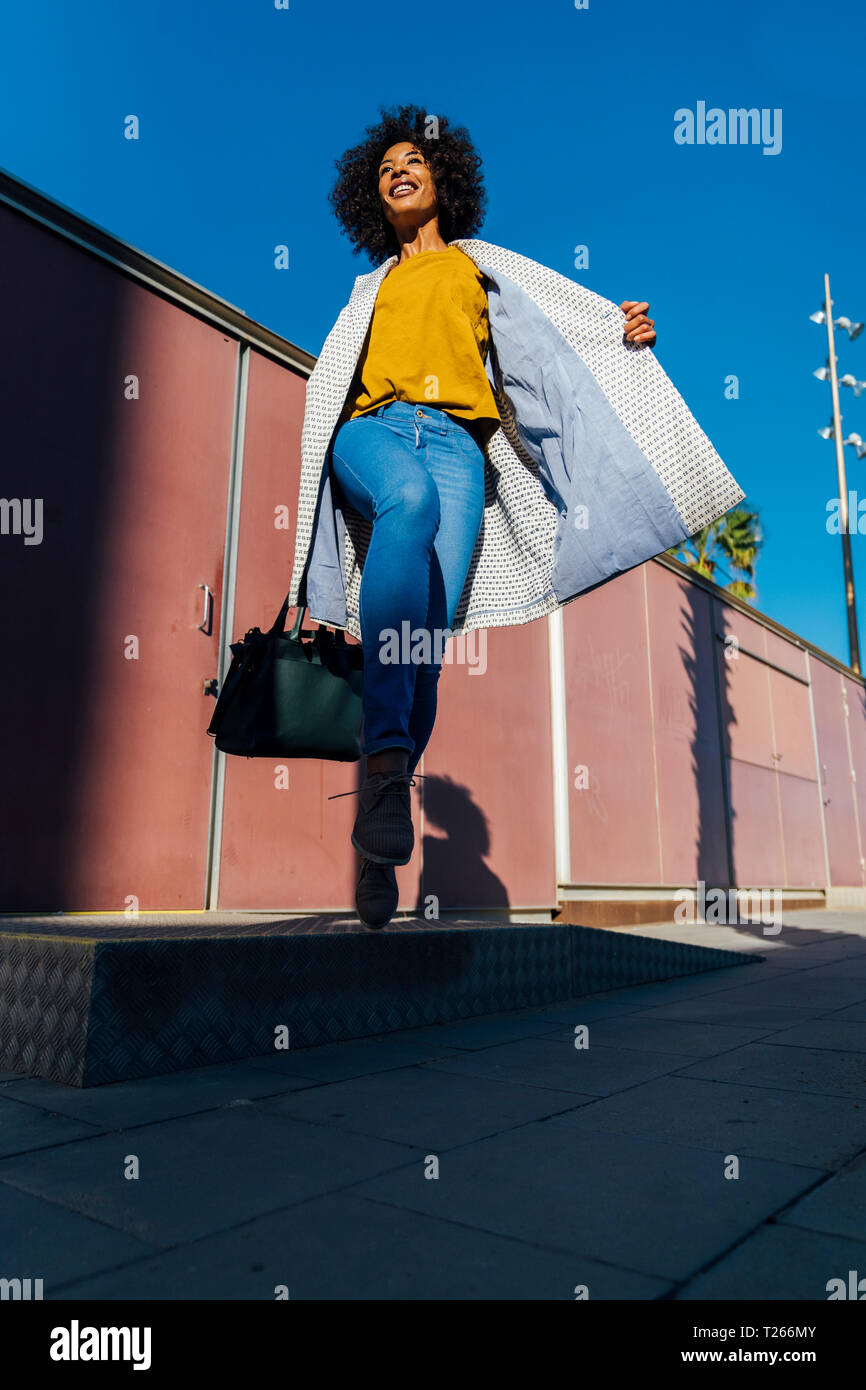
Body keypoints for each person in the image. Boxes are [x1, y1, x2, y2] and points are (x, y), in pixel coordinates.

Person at [288, 104, 744, 930]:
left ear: (441, 180)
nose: (399, 170)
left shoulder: (478, 266)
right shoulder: (371, 288)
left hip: (463, 452)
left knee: (425, 648)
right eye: (385, 166)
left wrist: (621, 330)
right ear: (372, 194)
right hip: (375, 433)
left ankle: (378, 827)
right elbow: (329, 390)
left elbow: (556, 337)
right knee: (407, 502)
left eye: (414, 161)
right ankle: (390, 766)